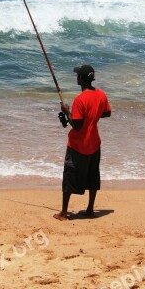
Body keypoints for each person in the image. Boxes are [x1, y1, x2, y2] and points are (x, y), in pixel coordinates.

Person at [54, 64, 111, 221]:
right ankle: (90, 210)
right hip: (94, 144)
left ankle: (64, 213)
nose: (76, 76)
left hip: (78, 146)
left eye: (77, 75)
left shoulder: (80, 100)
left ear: (80, 79)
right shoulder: (101, 94)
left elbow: (77, 126)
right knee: (93, 176)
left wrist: (67, 112)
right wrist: (93, 116)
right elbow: (107, 112)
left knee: (69, 175)